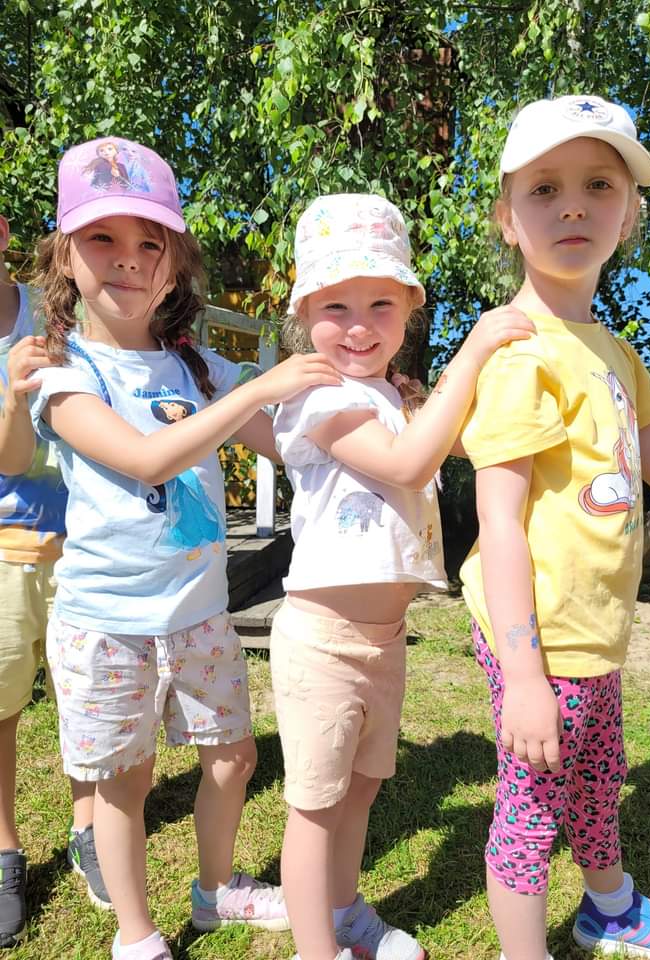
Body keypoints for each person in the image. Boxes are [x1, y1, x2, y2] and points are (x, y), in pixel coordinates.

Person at [28, 137, 341, 960]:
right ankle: (136, 934)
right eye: (102, 237)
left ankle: (216, 892)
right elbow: (145, 459)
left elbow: (292, 442)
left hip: (201, 614)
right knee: (123, 785)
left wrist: (377, 408)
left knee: (234, 761)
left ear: (174, 266)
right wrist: (260, 386)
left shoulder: (197, 367)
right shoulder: (61, 374)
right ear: (64, 256)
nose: (128, 259)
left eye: (150, 241)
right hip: (106, 624)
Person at [459, 94, 650, 960]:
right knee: (532, 807)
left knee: (600, 778)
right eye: (544, 188)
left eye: (598, 185)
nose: (573, 205)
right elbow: (498, 522)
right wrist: (524, 675)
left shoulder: (612, 351)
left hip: (594, 629)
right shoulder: (519, 354)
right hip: (536, 633)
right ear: (507, 218)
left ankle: (609, 906)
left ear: (630, 213)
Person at [272, 192, 535, 960]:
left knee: (361, 790)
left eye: (380, 304)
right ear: (304, 312)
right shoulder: (316, 396)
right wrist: (475, 350)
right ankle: (315, 950)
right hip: (321, 643)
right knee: (315, 808)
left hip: (385, 640)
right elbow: (410, 462)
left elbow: (473, 439)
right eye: (336, 306)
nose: (359, 325)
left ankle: (346, 911)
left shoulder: (395, 396)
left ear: (410, 308)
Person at [0, 216, 112, 949]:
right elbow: (11, 459)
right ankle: (4, 854)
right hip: (3, 552)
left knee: (87, 699)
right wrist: (14, 400)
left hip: (85, 544)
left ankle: (90, 830)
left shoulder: (55, 312)